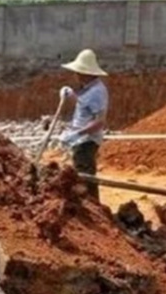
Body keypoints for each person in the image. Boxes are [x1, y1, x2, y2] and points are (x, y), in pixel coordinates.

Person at [58, 49, 109, 201]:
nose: (76, 75)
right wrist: (71, 95)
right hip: (81, 141)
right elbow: (83, 106)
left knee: (85, 178)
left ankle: (93, 209)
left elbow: (99, 122)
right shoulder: (89, 90)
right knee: (83, 176)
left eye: (78, 72)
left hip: (86, 142)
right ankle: (92, 207)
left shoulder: (97, 92)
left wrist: (77, 133)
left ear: (86, 73)